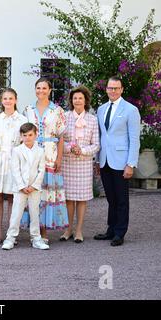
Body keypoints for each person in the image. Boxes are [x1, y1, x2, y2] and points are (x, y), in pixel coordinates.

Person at [94, 76, 140, 246]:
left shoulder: (130, 110)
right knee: (111, 199)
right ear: (106, 89)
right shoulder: (101, 109)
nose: (113, 91)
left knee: (121, 199)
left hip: (122, 161)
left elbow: (135, 139)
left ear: (121, 90)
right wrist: (98, 161)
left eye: (116, 88)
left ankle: (120, 232)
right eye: (110, 88)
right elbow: (101, 136)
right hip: (105, 160)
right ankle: (111, 229)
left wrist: (131, 164)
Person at [23, 77, 68, 245]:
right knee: (34, 193)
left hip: (50, 154)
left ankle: (44, 231)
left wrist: (59, 158)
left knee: (46, 195)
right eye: (38, 88)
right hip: (32, 154)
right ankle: (34, 230)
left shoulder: (57, 110)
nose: (40, 91)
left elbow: (61, 136)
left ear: (50, 90)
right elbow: (24, 134)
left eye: (44, 88)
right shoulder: (28, 109)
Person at [0, 88, 27, 245]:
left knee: (12, 198)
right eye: (5, 98)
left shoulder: (22, 120)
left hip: (14, 162)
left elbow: (25, 145)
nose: (8, 101)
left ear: (15, 100)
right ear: (1, 101)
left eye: (11, 98)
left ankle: (11, 235)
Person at [61, 86, 100, 243]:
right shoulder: (64, 117)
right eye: (75, 98)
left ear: (85, 101)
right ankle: (68, 229)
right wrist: (70, 148)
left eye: (80, 98)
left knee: (82, 199)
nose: (77, 100)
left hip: (83, 163)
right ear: (71, 100)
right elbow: (59, 140)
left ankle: (79, 230)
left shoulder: (92, 119)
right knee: (69, 198)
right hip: (68, 162)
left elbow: (96, 145)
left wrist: (82, 150)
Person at [1, 123, 48, 250]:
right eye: (25, 135)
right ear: (21, 136)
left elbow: (41, 170)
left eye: (30, 135)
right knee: (16, 213)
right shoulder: (17, 151)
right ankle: (10, 238)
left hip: (34, 188)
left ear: (35, 135)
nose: (27, 138)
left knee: (34, 213)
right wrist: (22, 186)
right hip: (20, 188)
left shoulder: (40, 151)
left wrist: (34, 186)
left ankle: (36, 238)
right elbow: (15, 170)